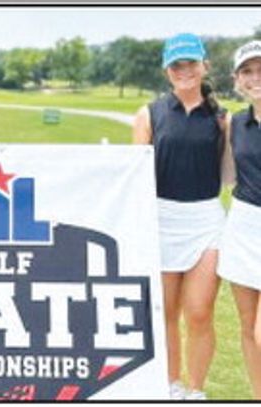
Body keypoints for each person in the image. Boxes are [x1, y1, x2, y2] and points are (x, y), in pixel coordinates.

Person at [132, 33, 227, 400]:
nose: (184, 71)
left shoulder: (222, 119)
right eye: (176, 65)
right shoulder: (149, 114)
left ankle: (196, 390)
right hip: (161, 219)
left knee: (200, 312)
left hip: (206, 221)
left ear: (205, 66)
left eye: (191, 63)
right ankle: (171, 386)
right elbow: (134, 175)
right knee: (166, 311)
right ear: (167, 70)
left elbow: (231, 170)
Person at [218, 40, 261, 400]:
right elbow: (229, 177)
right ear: (237, 79)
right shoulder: (237, 123)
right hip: (244, 227)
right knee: (248, 329)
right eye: (248, 71)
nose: (255, 77)